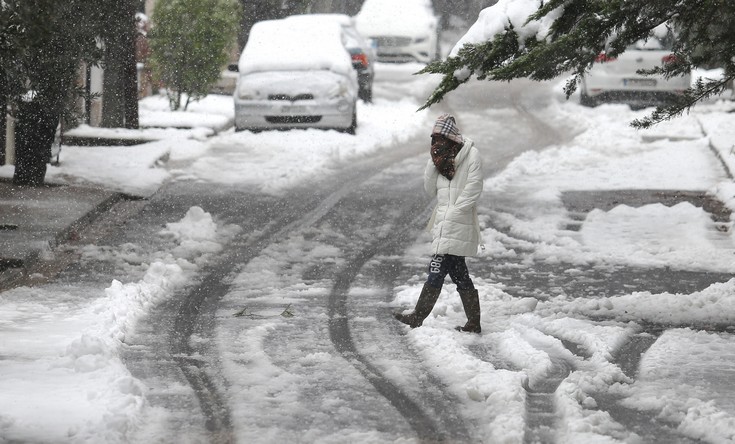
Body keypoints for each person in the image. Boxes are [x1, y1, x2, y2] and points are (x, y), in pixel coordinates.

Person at [394, 113, 484, 333]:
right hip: (443, 223)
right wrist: (432, 163)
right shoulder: (440, 160)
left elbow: (474, 187)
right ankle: (474, 322)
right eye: (433, 139)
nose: (436, 143)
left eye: (439, 139)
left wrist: (455, 212)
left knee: (436, 270)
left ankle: (418, 316)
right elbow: (430, 189)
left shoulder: (471, 155)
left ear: (451, 138)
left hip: (458, 221)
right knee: (459, 273)